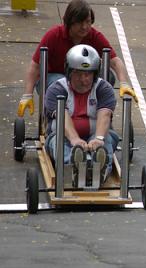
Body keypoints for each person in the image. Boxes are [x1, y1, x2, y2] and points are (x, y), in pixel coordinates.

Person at [18, 0, 137, 118]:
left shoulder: (94, 36)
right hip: (54, 78)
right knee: (60, 83)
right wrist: (27, 95)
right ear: (69, 22)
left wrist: (124, 82)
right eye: (80, 22)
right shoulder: (54, 35)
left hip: (81, 78)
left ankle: (94, 113)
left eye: (88, 22)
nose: (85, 27)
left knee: (108, 76)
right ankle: (57, 115)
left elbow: (115, 61)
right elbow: (35, 66)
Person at [44, 44, 118, 184]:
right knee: (59, 143)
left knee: (107, 140)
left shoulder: (104, 88)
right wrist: (74, 139)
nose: (83, 80)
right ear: (69, 72)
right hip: (63, 136)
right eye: (78, 74)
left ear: (95, 74)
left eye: (88, 74)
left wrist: (99, 138)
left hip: (95, 134)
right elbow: (62, 118)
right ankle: (73, 167)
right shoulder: (56, 89)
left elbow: (105, 115)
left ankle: (101, 169)